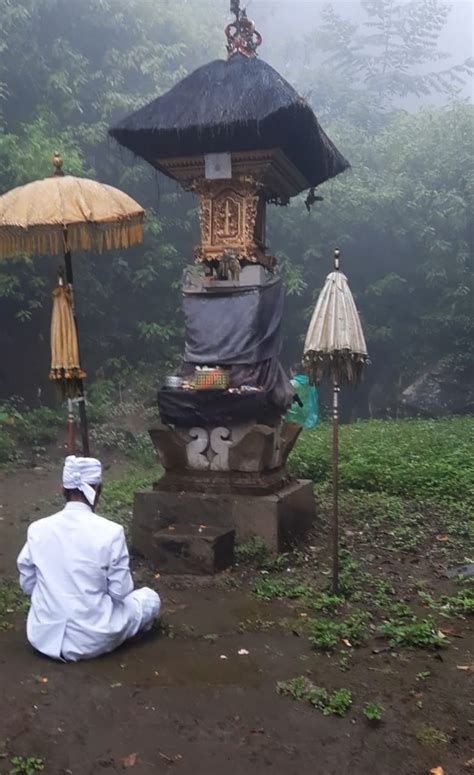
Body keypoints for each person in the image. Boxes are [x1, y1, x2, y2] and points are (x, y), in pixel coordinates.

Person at [17, 455, 161, 662]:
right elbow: (120, 592)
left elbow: (28, 583)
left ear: (62, 490)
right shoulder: (111, 532)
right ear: (99, 490)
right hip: (93, 638)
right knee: (149, 598)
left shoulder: (37, 528)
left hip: (43, 636)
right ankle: (130, 635)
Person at [284, 364, 319, 429]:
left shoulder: (292, 383)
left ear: (294, 371)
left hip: (293, 414)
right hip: (306, 414)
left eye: (291, 371)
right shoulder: (310, 383)